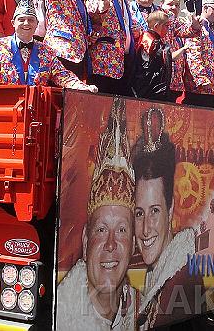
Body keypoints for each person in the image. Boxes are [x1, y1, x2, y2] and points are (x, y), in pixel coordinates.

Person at [56, 98, 136, 330]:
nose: (110, 244)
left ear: (133, 244)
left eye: (121, 230)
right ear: (85, 240)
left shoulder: (142, 307)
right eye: (101, 230)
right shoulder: (63, 316)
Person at [132, 108, 203, 328]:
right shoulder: (159, 275)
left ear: (170, 209)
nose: (145, 229)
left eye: (155, 211)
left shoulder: (180, 280)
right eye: (139, 213)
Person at [0, 0, 97, 92]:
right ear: (13, 23)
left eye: (31, 20)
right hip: (5, 108)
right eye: (21, 19)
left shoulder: (46, 51)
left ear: (37, 24)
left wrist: (81, 87)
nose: (26, 23)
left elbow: (62, 75)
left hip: (36, 110)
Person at [88, 0, 136, 96]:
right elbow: (94, 2)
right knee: (100, 99)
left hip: (121, 61)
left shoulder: (124, 0)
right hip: (103, 60)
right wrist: (100, 5)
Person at [183, 0, 214, 108]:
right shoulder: (196, 26)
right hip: (200, 89)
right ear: (205, 8)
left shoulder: (213, 31)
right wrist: (201, 79)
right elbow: (192, 54)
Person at [159, 0, 200, 102]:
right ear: (161, 5)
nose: (173, 8)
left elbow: (187, 31)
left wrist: (195, 26)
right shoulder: (158, 20)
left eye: (177, 5)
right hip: (161, 79)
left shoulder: (178, 23)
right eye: (170, 4)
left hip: (176, 81)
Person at [132, 11, 173, 101]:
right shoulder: (149, 41)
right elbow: (146, 71)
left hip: (155, 91)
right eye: (166, 26)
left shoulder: (155, 41)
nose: (168, 29)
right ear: (156, 26)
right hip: (149, 93)